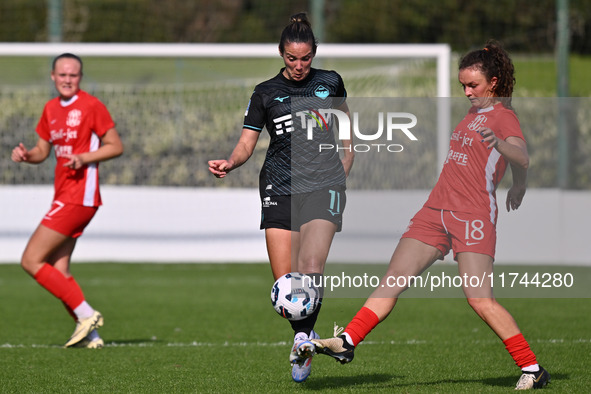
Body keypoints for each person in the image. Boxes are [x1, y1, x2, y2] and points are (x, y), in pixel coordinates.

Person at [309, 40, 550, 390]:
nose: (466, 92)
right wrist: (518, 186)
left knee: (479, 299)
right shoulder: (474, 113)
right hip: (434, 211)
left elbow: (522, 156)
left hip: (473, 216)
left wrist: (507, 158)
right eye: (463, 86)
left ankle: (533, 368)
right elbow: (516, 168)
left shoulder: (503, 116)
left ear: (493, 83)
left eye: (473, 85)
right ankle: (348, 342)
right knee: (393, 278)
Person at [208, 13, 354, 383]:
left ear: (314, 54)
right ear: (281, 53)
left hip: (323, 186)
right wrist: (231, 162)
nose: (299, 65)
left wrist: (344, 167)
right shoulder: (265, 92)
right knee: (286, 284)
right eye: (292, 58)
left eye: (305, 58)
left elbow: (348, 129)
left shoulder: (330, 82)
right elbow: (246, 142)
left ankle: (303, 344)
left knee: (312, 266)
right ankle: (303, 338)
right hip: (279, 185)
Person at [11, 53, 123, 349]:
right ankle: (91, 337)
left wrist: (83, 157)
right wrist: (26, 156)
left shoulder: (91, 106)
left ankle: (87, 315)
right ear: (53, 76)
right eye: (62, 75)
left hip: (80, 196)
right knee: (58, 271)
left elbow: (116, 145)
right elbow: (41, 151)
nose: (67, 80)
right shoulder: (50, 108)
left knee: (30, 260)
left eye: (73, 75)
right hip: (63, 195)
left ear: (80, 78)